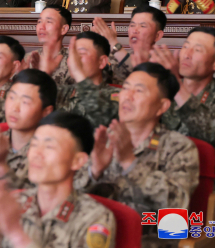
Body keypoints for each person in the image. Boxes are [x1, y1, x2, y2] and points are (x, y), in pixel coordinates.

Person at [75, 63, 198, 247]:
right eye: (125, 88)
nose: (127, 97)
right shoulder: (102, 140)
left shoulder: (178, 147)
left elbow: (176, 215)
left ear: (162, 106)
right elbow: (68, 200)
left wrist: (130, 163)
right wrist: (94, 172)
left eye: (139, 91)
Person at [152, 27, 215, 240]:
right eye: (185, 46)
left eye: (198, 49)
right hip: (165, 182)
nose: (187, 53)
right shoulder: (164, 91)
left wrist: (177, 82)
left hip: (213, 185)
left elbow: (212, 131)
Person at [0, 111, 116, 248]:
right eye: (34, 145)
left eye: (49, 147)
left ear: (77, 160)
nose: (36, 154)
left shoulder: (95, 218)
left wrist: (17, 235)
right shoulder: (14, 203)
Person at [56, 32, 119, 128]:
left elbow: (102, 120)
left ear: (102, 62)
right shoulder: (62, 92)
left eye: (81, 54)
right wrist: (44, 73)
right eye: (72, 54)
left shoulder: (116, 96)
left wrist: (79, 74)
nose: (73, 60)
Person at [93, 5, 166, 85]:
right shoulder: (115, 57)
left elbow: (141, 80)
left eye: (143, 26)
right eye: (132, 25)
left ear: (157, 35)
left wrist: (113, 43)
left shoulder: (163, 63)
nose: (135, 30)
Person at [26, 6, 75, 85]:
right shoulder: (29, 59)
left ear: (64, 29)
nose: (41, 27)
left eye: (49, 21)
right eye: (39, 22)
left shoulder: (74, 61)